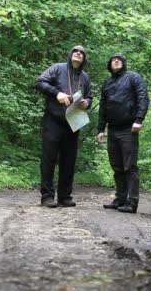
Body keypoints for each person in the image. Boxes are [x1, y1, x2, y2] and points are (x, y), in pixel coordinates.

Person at [35, 45, 92, 208]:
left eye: (81, 53)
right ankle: (47, 197)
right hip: (53, 120)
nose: (78, 54)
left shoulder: (85, 77)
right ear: (70, 55)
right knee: (49, 159)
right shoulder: (57, 68)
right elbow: (39, 82)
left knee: (69, 161)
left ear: (83, 58)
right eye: (76, 51)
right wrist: (56, 93)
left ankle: (65, 196)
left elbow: (89, 96)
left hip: (73, 122)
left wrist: (86, 102)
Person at [96, 53, 149, 213]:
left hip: (129, 129)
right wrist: (100, 129)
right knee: (117, 167)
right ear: (110, 64)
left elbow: (143, 97)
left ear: (124, 63)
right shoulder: (107, 82)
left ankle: (132, 202)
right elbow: (103, 106)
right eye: (113, 59)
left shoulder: (133, 77)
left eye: (119, 59)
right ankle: (120, 199)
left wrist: (139, 119)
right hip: (112, 130)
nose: (116, 61)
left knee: (130, 166)